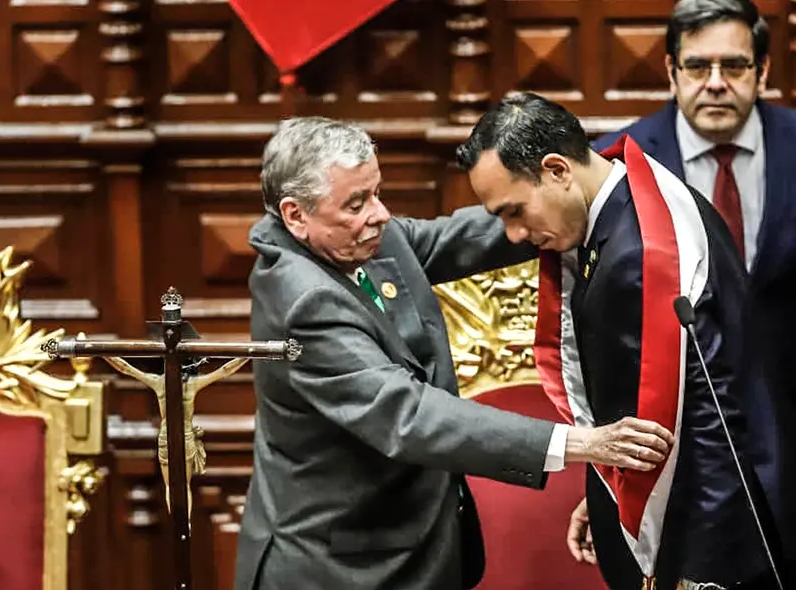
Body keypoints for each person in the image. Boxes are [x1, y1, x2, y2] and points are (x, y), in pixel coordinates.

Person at [233, 116, 677, 590]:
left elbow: (462, 237)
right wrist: (579, 443)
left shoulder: (356, 237)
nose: (380, 214)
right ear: (295, 215)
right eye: (356, 203)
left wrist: (579, 182)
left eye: (376, 193)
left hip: (413, 544)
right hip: (338, 566)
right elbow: (407, 413)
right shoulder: (301, 300)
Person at [592, 1, 796, 587]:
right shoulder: (623, 160)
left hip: (795, 429)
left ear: (763, 70)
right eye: (698, 66)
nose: (715, 83)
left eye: (734, 66)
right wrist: (604, 477)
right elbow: (602, 323)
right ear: (671, 71)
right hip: (677, 445)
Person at [457, 92, 782, 590]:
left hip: (697, 547)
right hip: (665, 513)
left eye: (514, 210)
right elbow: (636, 406)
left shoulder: (641, 256)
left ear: (557, 170)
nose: (514, 234)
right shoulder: (634, 207)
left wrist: (700, 575)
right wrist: (608, 492)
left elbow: (711, 419)